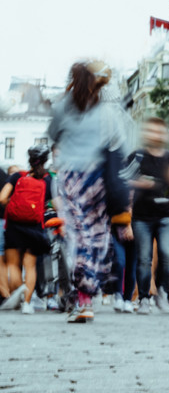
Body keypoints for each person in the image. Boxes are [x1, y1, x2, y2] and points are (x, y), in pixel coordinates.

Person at [46, 61, 130, 324]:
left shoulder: (62, 105)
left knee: (78, 237)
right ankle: (90, 291)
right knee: (96, 237)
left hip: (72, 178)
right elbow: (119, 144)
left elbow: (53, 136)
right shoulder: (106, 111)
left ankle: (82, 298)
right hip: (98, 178)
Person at [127, 116, 169, 315]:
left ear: (164, 134)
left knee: (167, 255)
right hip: (142, 217)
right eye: (149, 130)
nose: (154, 134)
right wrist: (140, 183)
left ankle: (163, 294)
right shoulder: (137, 156)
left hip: (166, 215)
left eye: (157, 131)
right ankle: (144, 298)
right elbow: (124, 178)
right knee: (144, 259)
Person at [0, 146, 57, 314]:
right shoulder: (48, 180)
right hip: (35, 227)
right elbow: (57, 202)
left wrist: (16, 204)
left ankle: (19, 291)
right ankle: (27, 303)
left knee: (12, 264)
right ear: (46, 161)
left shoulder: (17, 176)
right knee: (30, 266)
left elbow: (2, 198)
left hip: (14, 226)